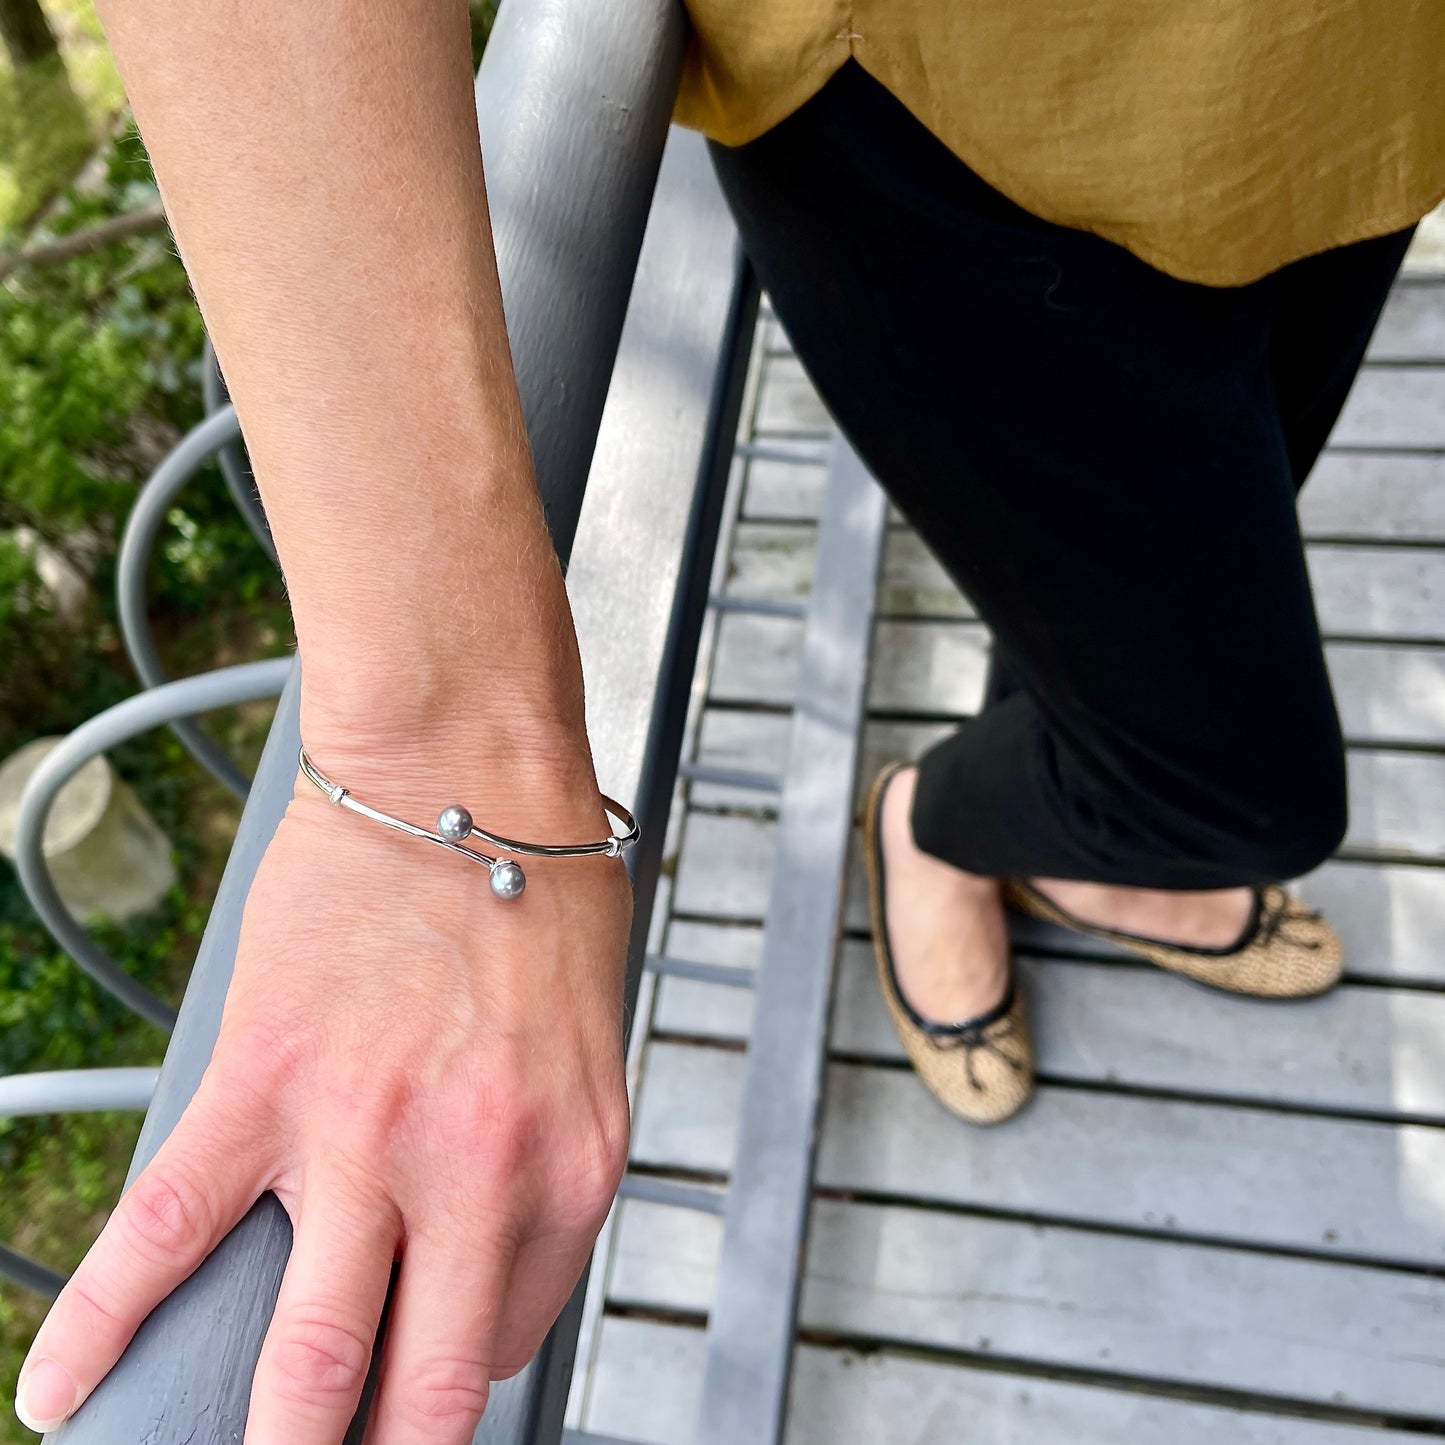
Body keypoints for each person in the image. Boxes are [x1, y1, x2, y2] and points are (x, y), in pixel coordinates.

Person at [14, 1, 1444, 1439]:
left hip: (1353, 92)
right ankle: (935, 831)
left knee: (1135, 565)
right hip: (943, 106)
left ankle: (1071, 807)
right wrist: (450, 749)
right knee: (1240, 790)